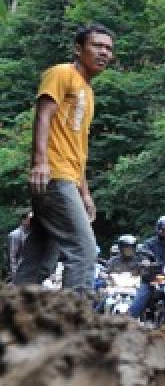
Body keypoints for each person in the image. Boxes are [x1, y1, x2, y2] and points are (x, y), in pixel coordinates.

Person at [13, 24, 115, 292]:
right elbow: (43, 114)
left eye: (108, 48)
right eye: (97, 46)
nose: (104, 53)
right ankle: (75, 326)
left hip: (68, 177)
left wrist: (85, 192)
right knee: (84, 250)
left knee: (38, 262)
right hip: (54, 176)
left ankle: (11, 321)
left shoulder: (88, 92)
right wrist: (40, 162)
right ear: (78, 49)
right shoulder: (62, 74)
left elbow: (77, 146)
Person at [7, 211, 32, 280]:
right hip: (20, 272)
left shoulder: (34, 234)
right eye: (30, 219)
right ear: (23, 220)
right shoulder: (15, 235)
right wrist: (15, 277)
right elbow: (12, 258)